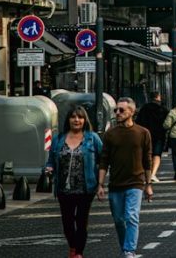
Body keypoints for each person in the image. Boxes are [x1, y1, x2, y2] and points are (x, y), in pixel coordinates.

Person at [97, 97, 153, 258]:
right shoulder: (110, 134)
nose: (118, 113)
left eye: (121, 110)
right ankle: (125, 248)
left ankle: (129, 250)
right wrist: (100, 185)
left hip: (136, 183)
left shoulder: (143, 133)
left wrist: (148, 184)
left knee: (131, 216)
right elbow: (104, 161)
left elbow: (147, 161)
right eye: (116, 110)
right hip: (115, 184)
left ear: (132, 112)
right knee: (119, 220)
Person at [46, 106, 103, 258]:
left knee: (81, 221)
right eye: (73, 117)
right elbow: (50, 160)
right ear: (68, 120)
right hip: (64, 189)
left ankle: (78, 253)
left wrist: (101, 183)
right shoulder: (59, 139)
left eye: (80, 117)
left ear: (85, 120)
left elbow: (103, 159)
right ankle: (72, 246)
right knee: (67, 222)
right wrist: (49, 168)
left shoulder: (92, 138)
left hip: (86, 188)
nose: (76, 120)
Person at [135, 92, 169, 183]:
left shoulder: (144, 108)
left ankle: (146, 173)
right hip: (159, 135)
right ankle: (153, 174)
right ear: (158, 97)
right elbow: (167, 123)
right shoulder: (163, 109)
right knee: (157, 154)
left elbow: (138, 121)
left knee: (147, 154)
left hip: (146, 134)